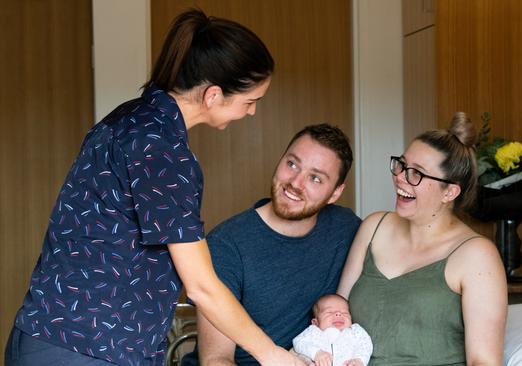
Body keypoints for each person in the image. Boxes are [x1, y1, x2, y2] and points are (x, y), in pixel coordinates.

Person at [5, 9, 304, 366]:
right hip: (89, 347)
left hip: (50, 336)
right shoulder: (160, 149)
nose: (252, 113)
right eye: (250, 102)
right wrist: (272, 355)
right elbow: (202, 286)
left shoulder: (128, 119)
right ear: (212, 95)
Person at [182, 123, 361, 366]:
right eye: (292, 164)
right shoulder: (226, 244)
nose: (296, 183)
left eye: (315, 178)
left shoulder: (345, 228)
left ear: (335, 193)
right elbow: (216, 359)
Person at [337, 112, 508, 365]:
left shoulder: (477, 255)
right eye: (401, 165)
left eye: (416, 173)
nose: (400, 178)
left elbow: (483, 360)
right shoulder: (374, 227)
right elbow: (336, 315)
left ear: (449, 191)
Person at [292, 294, 372, 366]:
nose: (338, 313)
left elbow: (365, 345)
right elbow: (298, 342)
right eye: (330, 312)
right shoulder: (313, 331)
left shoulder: (355, 331)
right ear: (315, 322)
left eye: (344, 313)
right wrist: (316, 353)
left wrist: (360, 360)